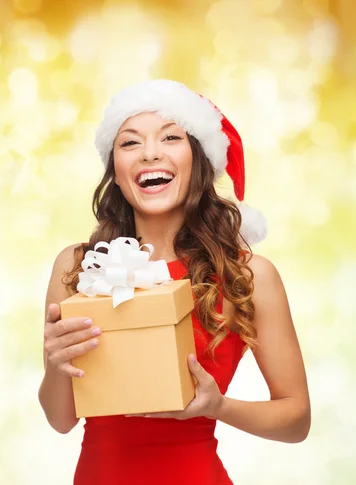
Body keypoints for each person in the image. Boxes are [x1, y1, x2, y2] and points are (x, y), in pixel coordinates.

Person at [38, 79, 311, 485]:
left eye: (170, 137)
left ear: (198, 159)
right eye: (130, 143)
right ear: (115, 169)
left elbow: (296, 419)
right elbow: (61, 420)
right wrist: (58, 366)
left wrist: (217, 407)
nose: (150, 152)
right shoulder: (78, 268)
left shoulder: (247, 276)